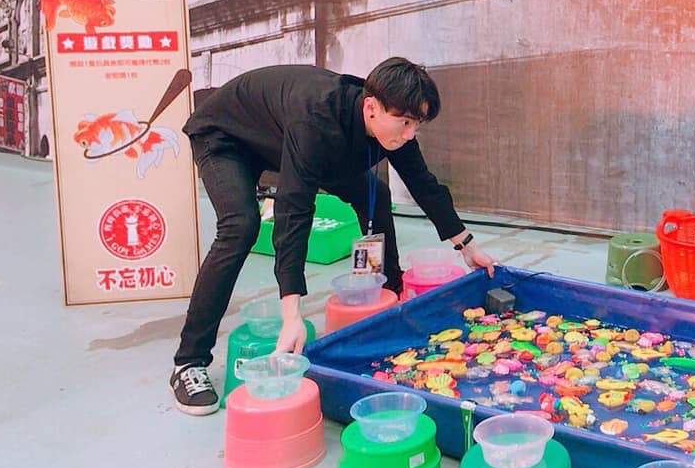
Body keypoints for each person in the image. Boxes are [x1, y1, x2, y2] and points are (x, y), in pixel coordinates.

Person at [169, 58, 497, 415]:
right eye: (405, 122)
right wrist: (292, 315)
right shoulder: (316, 119)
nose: (409, 134)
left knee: (376, 194)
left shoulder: (389, 122)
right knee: (240, 226)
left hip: (281, 136)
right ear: (371, 108)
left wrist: (467, 245)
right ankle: (189, 361)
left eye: (416, 124)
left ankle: (391, 292)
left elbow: (424, 184)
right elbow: (293, 212)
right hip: (226, 135)